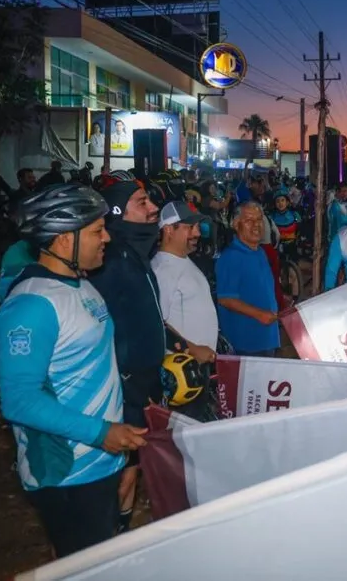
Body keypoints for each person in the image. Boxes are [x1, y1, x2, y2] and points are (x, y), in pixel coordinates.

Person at [0, 184, 146, 557]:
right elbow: (19, 400)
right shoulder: (32, 304)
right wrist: (101, 432)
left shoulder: (82, 286)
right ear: (64, 239)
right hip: (67, 474)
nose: (107, 238)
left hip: (100, 463)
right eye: (97, 231)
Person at [88, 180, 164, 533]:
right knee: (122, 476)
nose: (153, 208)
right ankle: (106, 544)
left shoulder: (134, 255)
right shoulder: (110, 261)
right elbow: (97, 326)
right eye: (142, 202)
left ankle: (118, 536)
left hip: (142, 382)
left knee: (131, 472)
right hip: (123, 388)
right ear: (118, 213)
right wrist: (121, 376)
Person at [151, 201, 218, 359]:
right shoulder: (162, 270)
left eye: (197, 227)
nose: (197, 233)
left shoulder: (184, 261)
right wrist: (194, 349)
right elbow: (157, 324)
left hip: (197, 364)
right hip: (181, 364)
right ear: (169, 230)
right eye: (190, 227)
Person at [217, 202, 279, 357]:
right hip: (247, 343)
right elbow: (225, 299)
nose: (256, 225)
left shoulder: (260, 252)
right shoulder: (231, 256)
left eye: (259, 219)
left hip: (266, 337)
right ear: (236, 224)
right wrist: (259, 314)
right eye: (249, 220)